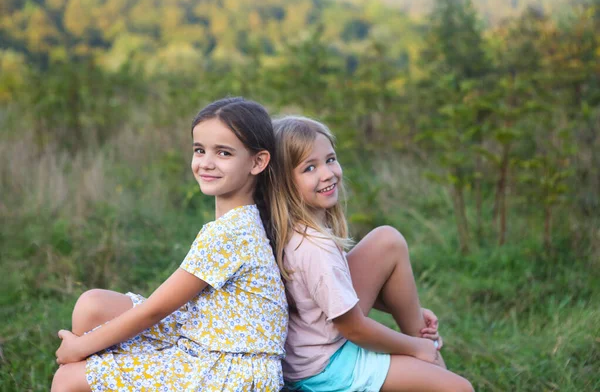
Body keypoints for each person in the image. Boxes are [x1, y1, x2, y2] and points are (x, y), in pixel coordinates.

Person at [51, 97, 288, 391]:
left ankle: (93, 373)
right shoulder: (238, 222)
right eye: (200, 150)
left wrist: (79, 349)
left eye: (224, 153)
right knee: (93, 306)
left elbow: (155, 310)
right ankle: (105, 372)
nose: (206, 163)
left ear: (258, 161)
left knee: (68, 379)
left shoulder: (231, 233)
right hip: (209, 338)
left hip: (231, 370)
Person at [272, 116, 473, 392]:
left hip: (312, 346)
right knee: (459, 389)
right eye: (309, 168)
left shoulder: (303, 228)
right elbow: (352, 328)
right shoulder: (315, 249)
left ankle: (427, 356)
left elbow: (329, 298)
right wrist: (416, 348)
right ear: (283, 182)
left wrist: (407, 308)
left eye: (330, 159)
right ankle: (430, 360)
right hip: (326, 366)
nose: (328, 173)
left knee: (386, 240)